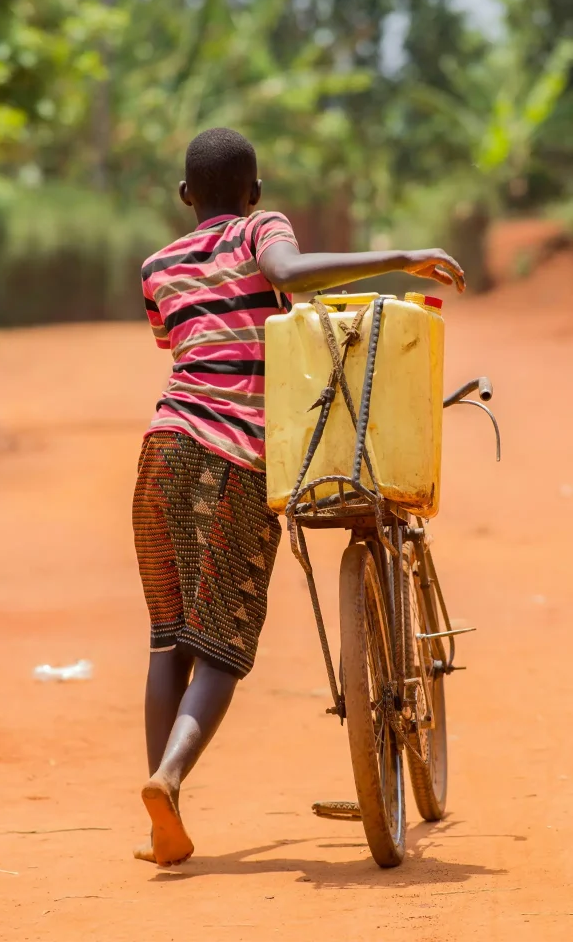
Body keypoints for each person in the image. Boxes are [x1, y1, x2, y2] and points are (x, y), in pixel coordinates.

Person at [132, 127, 465, 868]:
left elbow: (174, 341)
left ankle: (163, 808)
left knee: (169, 634)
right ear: (254, 191)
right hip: (237, 459)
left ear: (186, 197)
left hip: (162, 451)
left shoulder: (157, 266)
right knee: (222, 644)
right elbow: (288, 273)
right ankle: (170, 775)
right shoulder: (260, 228)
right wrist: (400, 260)